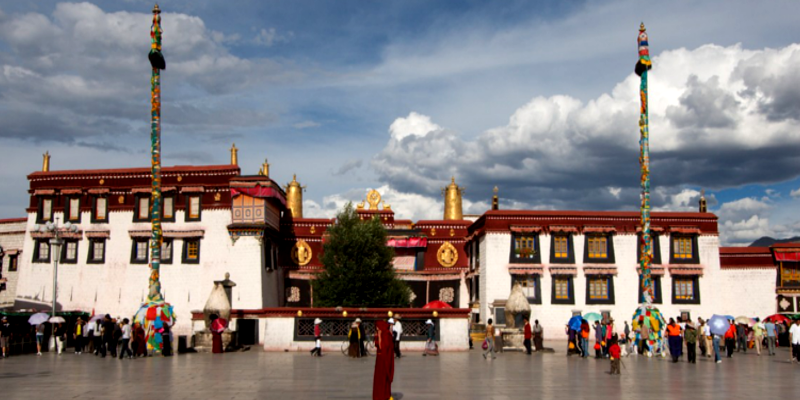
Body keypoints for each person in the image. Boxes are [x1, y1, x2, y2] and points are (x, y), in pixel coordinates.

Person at [372, 320, 394, 400]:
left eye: (377, 326)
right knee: (378, 378)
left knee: (383, 378)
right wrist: (377, 336)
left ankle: (384, 395)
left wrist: (380, 335)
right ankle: (378, 395)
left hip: (384, 359)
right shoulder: (379, 333)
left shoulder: (386, 334)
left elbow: (383, 348)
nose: (376, 328)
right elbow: (376, 345)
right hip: (379, 359)